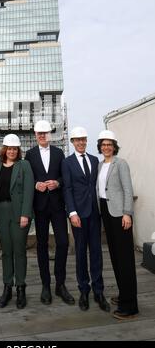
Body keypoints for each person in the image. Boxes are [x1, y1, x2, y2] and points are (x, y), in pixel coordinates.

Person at [25, 120, 74, 306]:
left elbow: (64, 176)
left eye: (45, 133)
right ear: (36, 135)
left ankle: (60, 284)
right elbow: (28, 178)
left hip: (57, 205)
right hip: (40, 206)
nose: (42, 136)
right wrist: (36, 184)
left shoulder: (59, 153)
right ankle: (46, 285)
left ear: (50, 135)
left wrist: (58, 183)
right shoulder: (29, 154)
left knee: (62, 242)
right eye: (39, 133)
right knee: (42, 245)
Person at [61, 127, 110, 312]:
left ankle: (99, 291)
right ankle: (83, 290)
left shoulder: (94, 160)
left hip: (94, 214)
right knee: (81, 253)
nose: (81, 142)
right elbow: (67, 189)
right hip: (78, 216)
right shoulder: (67, 163)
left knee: (97, 252)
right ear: (72, 142)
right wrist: (72, 213)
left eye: (83, 139)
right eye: (77, 140)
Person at [0, 134, 34, 309]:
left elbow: (29, 190)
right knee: (6, 251)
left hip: (19, 213)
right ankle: (7, 287)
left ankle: (21, 287)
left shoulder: (24, 165)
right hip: (1, 212)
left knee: (19, 250)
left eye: (15, 148)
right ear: (4, 149)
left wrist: (25, 214)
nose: (12, 151)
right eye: (9, 148)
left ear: (18, 150)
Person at [97, 130, 139, 320]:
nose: (106, 147)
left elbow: (128, 189)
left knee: (125, 259)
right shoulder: (99, 165)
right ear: (100, 147)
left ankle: (130, 306)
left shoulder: (120, 163)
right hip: (106, 211)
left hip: (119, 214)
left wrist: (127, 213)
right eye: (103, 144)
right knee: (115, 256)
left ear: (114, 146)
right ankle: (123, 295)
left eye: (109, 144)